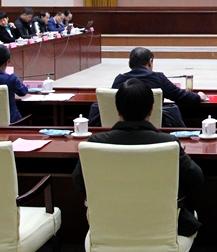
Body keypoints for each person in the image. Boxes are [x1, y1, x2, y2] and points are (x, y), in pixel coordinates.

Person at [72, 78, 204, 237]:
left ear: (117, 110)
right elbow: (196, 179)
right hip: (162, 229)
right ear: (151, 109)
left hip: (110, 228)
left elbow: (79, 183)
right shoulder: (168, 143)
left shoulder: (95, 144)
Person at [87, 47, 208, 128]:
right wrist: (198, 97)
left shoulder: (120, 79)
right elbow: (180, 95)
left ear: (130, 64)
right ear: (150, 62)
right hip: (153, 126)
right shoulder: (158, 78)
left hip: (123, 125)